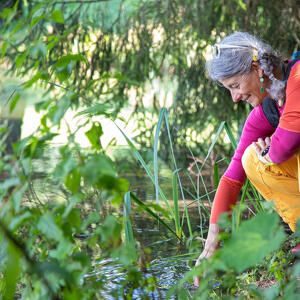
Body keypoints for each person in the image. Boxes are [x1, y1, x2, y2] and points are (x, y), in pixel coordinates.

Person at [194, 32, 300, 286]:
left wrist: (272, 144)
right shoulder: (266, 112)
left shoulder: (297, 77)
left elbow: (284, 147)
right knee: (250, 158)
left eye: (235, 86)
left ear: (256, 69)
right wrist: (210, 247)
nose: (235, 97)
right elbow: (231, 179)